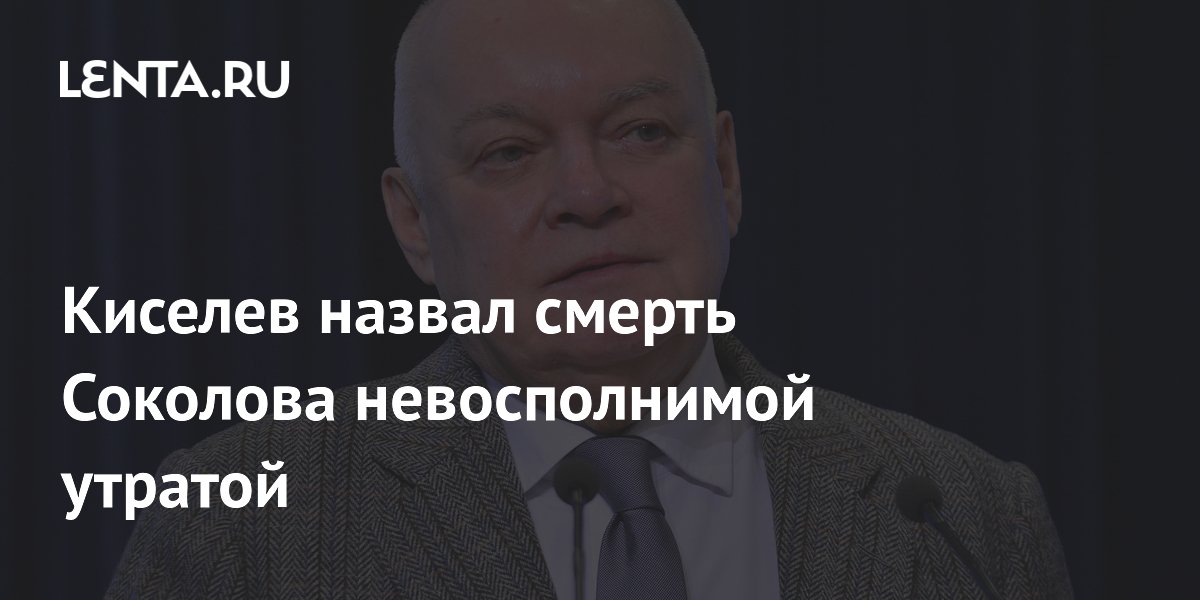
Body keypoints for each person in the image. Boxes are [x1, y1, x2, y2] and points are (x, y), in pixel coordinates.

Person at [106, 0, 1073, 598]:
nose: (588, 192)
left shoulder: (967, 520)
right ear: (415, 224)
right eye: (510, 152)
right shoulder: (242, 532)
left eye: (641, 132)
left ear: (724, 172)